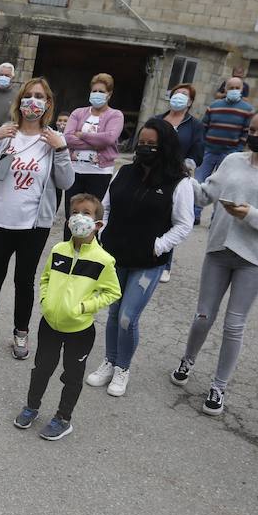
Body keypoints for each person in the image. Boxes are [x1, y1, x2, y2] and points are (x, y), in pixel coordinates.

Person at [170, 101, 258, 416]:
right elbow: (206, 195)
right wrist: (185, 178)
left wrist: (252, 215)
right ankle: (187, 361)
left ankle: (218, 387)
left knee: (234, 324)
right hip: (219, 250)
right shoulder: (234, 160)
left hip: (255, 256)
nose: (256, 136)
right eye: (252, 131)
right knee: (203, 316)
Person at [0, 77, 72, 358]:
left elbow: (66, 182)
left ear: (47, 104)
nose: (32, 101)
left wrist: (61, 149)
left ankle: (20, 333)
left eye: (39, 96)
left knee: (24, 280)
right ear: (19, 101)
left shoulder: (52, 140)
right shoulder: (4, 134)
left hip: (33, 225)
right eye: (28, 96)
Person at [85, 117, 193, 397]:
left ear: (165, 146)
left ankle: (123, 367)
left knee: (127, 317)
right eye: (142, 143)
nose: (145, 148)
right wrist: (103, 232)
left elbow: (183, 224)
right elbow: (105, 207)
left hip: (147, 261)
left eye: (151, 144)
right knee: (112, 313)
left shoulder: (179, 183)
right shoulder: (124, 172)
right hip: (115, 255)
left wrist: (158, 246)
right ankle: (109, 361)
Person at [13, 193, 121, 441]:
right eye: (74, 212)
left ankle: (63, 418)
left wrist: (84, 307)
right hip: (49, 324)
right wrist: (45, 300)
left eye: (86, 213)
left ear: (98, 224)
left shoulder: (103, 260)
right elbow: (46, 277)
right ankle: (31, 407)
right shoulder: (58, 249)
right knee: (41, 369)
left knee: (71, 375)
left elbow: (112, 292)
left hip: (80, 331)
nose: (78, 218)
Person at [155, 84, 205, 283]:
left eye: (183, 95)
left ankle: (165, 264)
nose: (178, 97)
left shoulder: (195, 125)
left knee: (170, 219)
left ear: (190, 102)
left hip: (176, 178)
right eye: (176, 93)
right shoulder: (158, 120)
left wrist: (182, 166)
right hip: (153, 173)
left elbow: (198, 153)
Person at [61, 73, 124, 220]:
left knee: (92, 216)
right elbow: (68, 138)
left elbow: (108, 139)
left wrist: (82, 135)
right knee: (72, 215)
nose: (97, 94)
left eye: (101, 91)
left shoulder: (115, 115)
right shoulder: (78, 112)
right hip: (75, 170)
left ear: (109, 94)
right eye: (94, 91)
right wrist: (96, 142)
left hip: (100, 173)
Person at [195, 77, 253, 223]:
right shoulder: (214, 106)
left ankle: (216, 218)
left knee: (224, 187)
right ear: (225, 89)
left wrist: (237, 150)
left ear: (241, 90)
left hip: (229, 154)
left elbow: (246, 132)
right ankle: (194, 215)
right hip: (208, 151)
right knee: (200, 183)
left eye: (236, 88)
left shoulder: (247, 110)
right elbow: (204, 127)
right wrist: (203, 146)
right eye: (230, 87)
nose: (233, 90)